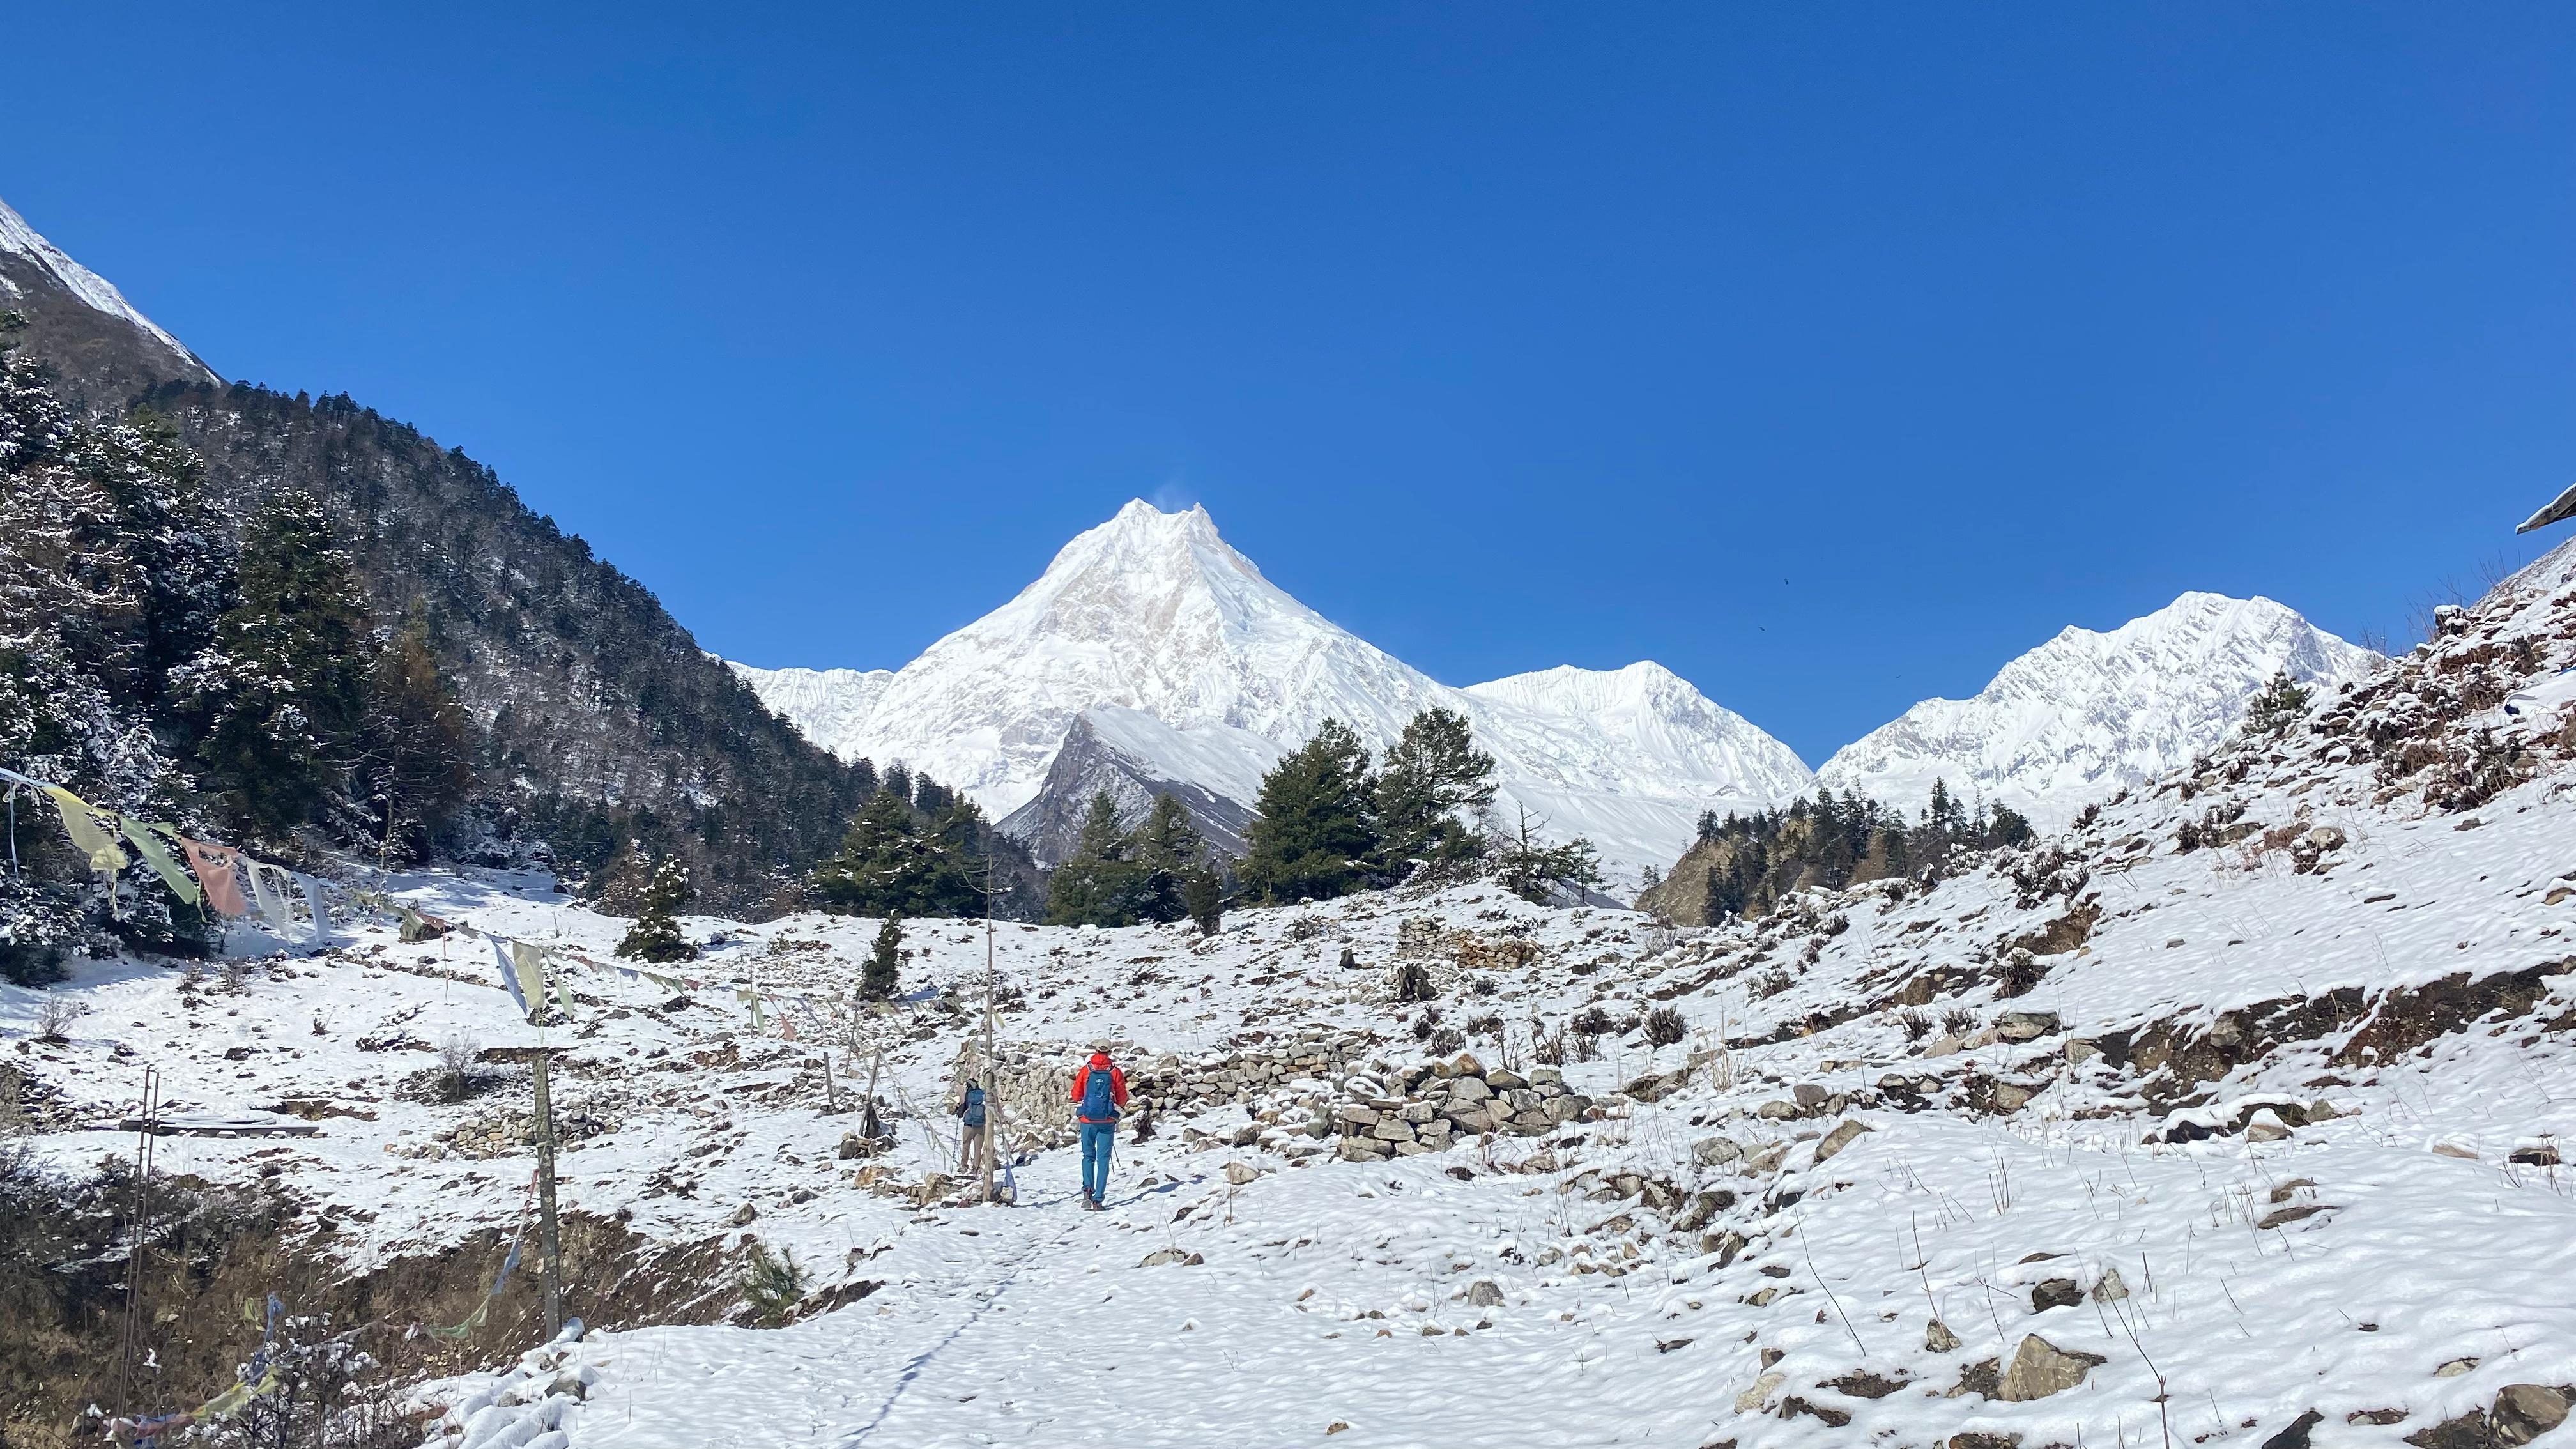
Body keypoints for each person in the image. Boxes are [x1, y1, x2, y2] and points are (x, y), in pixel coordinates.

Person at [1070, 1045, 1127, 1210]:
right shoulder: (1115, 1072)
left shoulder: (1086, 1070)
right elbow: (1122, 1099)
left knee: (1088, 1156)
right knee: (1103, 1160)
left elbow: (1075, 1095)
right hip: (1107, 1121)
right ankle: (1098, 1200)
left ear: (1095, 1052)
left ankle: (1087, 1190)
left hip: (1087, 1120)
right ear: (1109, 1052)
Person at [955, 1077, 988, 1177]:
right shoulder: (982, 1094)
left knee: (966, 1146)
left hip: (969, 1125)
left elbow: (961, 1111)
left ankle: (964, 1166)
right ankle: (976, 1169)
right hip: (980, 1125)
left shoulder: (968, 1095)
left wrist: (959, 1110)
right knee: (978, 1149)